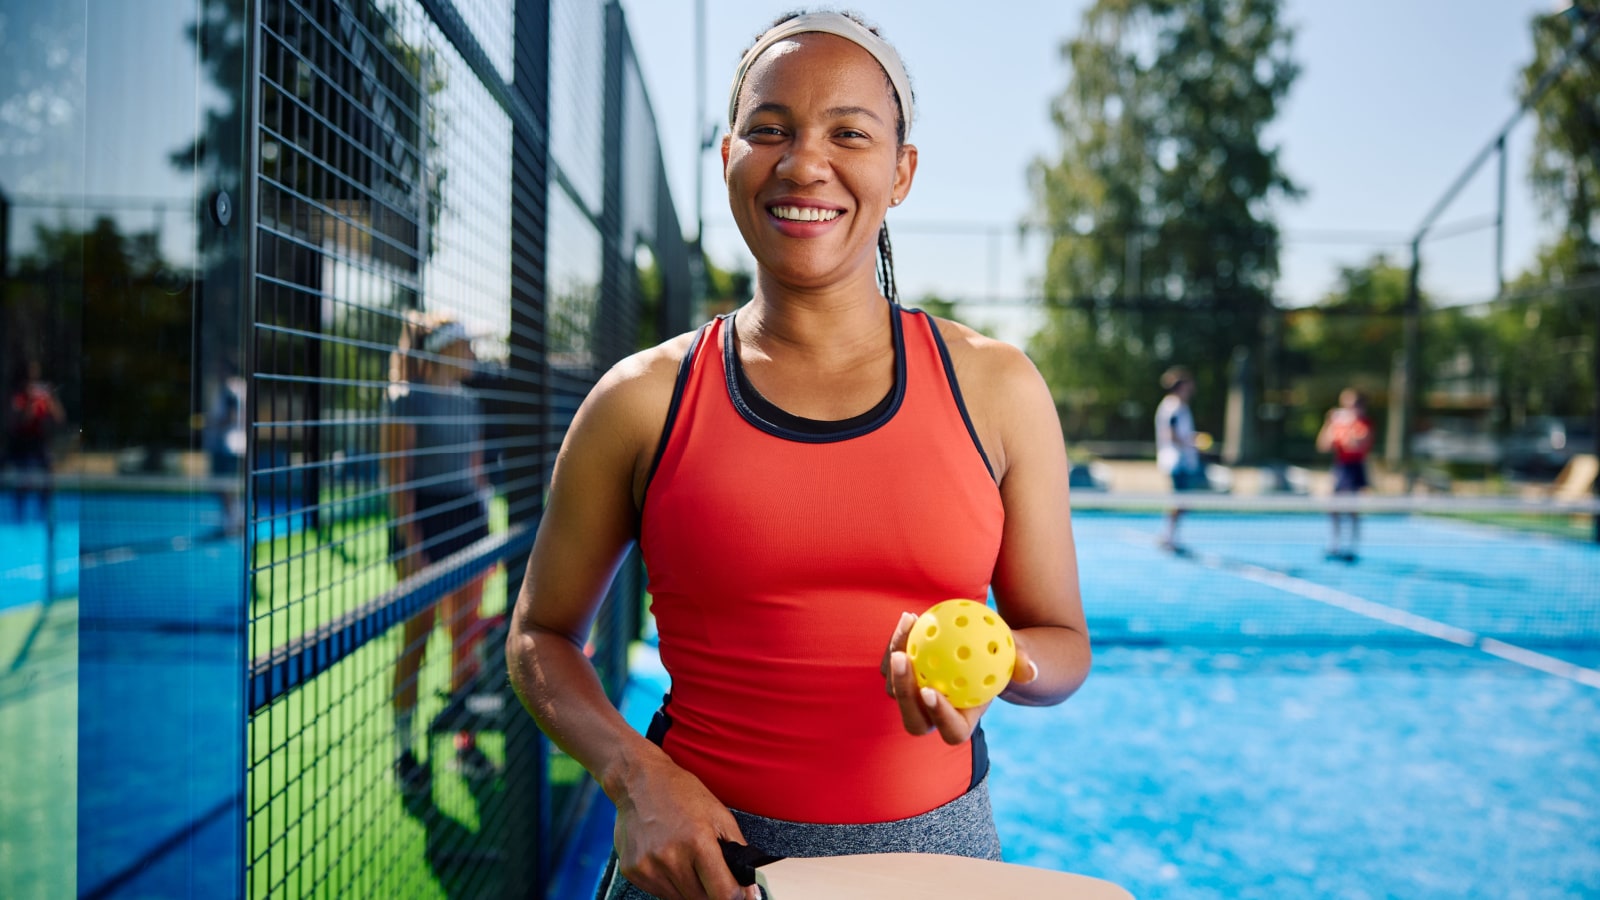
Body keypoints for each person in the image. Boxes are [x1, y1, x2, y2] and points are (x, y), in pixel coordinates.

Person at [506, 12, 1091, 900]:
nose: (804, 162)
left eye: (848, 133)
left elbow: (1063, 643)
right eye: (770, 129)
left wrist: (1009, 661)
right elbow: (540, 638)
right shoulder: (641, 401)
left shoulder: (998, 387)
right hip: (700, 857)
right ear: (730, 154)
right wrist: (639, 780)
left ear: (902, 173)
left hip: (935, 861)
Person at [384, 313, 496, 792]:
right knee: (418, 636)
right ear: (445, 349)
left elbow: (475, 476)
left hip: (467, 524)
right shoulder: (405, 400)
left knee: (465, 636)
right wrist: (411, 548)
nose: (473, 351)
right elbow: (398, 481)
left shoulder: (470, 403)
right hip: (423, 526)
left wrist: (488, 537)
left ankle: (464, 745)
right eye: (466, 343)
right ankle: (405, 752)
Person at [4, 359, 66, 522]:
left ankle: (47, 519)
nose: (34, 381)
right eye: (30, 378)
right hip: (22, 446)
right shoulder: (18, 399)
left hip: (40, 444)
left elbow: (59, 419)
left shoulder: (44, 397)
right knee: (22, 486)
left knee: (48, 483)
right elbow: (20, 422)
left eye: (36, 377)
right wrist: (31, 402)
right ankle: (18, 519)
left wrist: (52, 399)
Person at [1316, 387, 1373, 562]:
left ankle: (1351, 546)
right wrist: (1329, 424)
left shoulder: (1364, 424)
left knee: (1352, 508)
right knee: (1333, 507)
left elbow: (1355, 446)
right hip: (1340, 467)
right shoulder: (1338, 424)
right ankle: (1334, 544)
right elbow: (1322, 446)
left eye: (1352, 404)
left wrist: (1348, 426)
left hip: (1355, 467)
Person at [1153, 365, 1203, 554]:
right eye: (1188, 386)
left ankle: (1170, 536)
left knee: (1182, 502)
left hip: (1182, 461)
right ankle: (1168, 537)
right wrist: (1191, 441)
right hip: (1176, 462)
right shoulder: (1173, 407)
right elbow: (1171, 434)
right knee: (1179, 501)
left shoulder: (1178, 406)